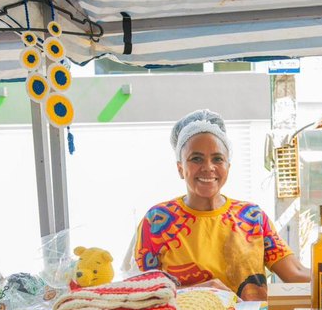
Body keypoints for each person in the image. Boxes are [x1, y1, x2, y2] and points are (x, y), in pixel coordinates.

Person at [133, 109, 310, 300]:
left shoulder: (252, 217)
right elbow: (141, 292)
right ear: (180, 168)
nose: (208, 167)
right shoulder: (158, 221)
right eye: (196, 158)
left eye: (217, 159)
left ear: (228, 167)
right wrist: (203, 290)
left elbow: (295, 272)